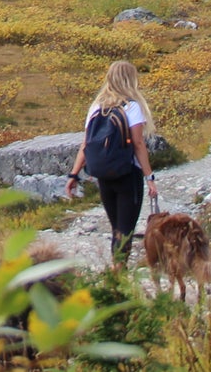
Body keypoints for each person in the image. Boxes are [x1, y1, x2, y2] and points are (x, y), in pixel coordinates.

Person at [65, 59, 159, 264]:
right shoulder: (132, 107)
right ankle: (118, 277)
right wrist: (149, 177)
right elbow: (138, 144)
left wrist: (73, 175)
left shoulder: (96, 107)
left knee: (116, 227)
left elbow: (85, 145)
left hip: (103, 174)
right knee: (125, 230)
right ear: (130, 80)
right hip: (128, 174)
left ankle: (115, 275)